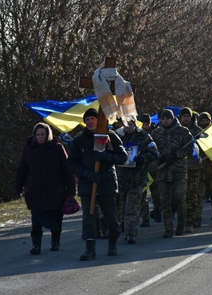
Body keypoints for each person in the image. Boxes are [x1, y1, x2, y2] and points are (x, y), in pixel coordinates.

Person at [68, 108, 128, 261]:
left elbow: (122, 157)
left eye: (92, 119)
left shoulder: (110, 136)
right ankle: (90, 248)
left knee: (110, 216)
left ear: (98, 120)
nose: (90, 122)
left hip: (106, 182)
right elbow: (72, 164)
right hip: (88, 184)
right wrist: (87, 174)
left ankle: (113, 242)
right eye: (87, 119)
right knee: (89, 217)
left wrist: (105, 156)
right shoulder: (79, 140)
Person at [14, 123, 76, 255]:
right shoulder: (28, 148)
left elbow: (67, 170)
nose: (40, 137)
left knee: (56, 217)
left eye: (43, 134)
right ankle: (36, 245)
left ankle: (55, 242)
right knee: (36, 218)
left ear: (48, 135)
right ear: (34, 135)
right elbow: (22, 169)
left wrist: (71, 191)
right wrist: (18, 187)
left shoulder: (57, 148)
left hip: (56, 190)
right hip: (35, 190)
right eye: (38, 135)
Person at [151, 109, 193, 238]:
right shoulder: (156, 133)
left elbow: (190, 148)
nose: (165, 121)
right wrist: (159, 157)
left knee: (179, 198)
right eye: (163, 119)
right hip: (163, 172)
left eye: (167, 118)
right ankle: (168, 228)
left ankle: (181, 223)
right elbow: (151, 149)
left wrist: (176, 155)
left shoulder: (183, 132)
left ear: (172, 118)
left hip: (178, 171)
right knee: (165, 201)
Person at [116, 119, 159, 244]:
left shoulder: (144, 136)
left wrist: (142, 159)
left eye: (131, 124)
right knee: (122, 206)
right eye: (125, 124)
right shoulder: (116, 136)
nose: (128, 127)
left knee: (132, 206)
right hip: (120, 178)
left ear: (135, 125)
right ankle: (124, 228)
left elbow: (155, 153)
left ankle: (131, 232)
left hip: (137, 178)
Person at [178, 107, 203, 233]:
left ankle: (190, 221)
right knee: (178, 197)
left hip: (193, 168)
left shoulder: (198, 131)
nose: (186, 118)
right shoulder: (176, 131)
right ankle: (180, 220)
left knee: (192, 195)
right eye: (184, 116)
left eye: (188, 116)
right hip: (178, 169)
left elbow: (205, 148)